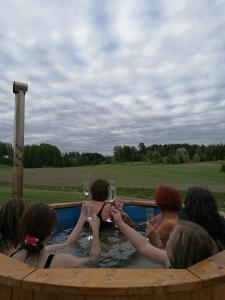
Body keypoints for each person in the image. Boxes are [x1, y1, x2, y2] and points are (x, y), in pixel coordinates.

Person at [112, 207, 216, 269]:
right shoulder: (171, 260)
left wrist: (120, 223)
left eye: (172, 236)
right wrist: (120, 223)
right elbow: (143, 245)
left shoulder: (169, 261)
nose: (169, 237)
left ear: (179, 250)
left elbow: (143, 246)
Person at [11, 203, 101, 268]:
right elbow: (93, 260)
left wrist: (82, 218)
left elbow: (68, 243)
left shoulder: (14, 256)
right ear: (51, 232)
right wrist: (95, 231)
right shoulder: (63, 261)